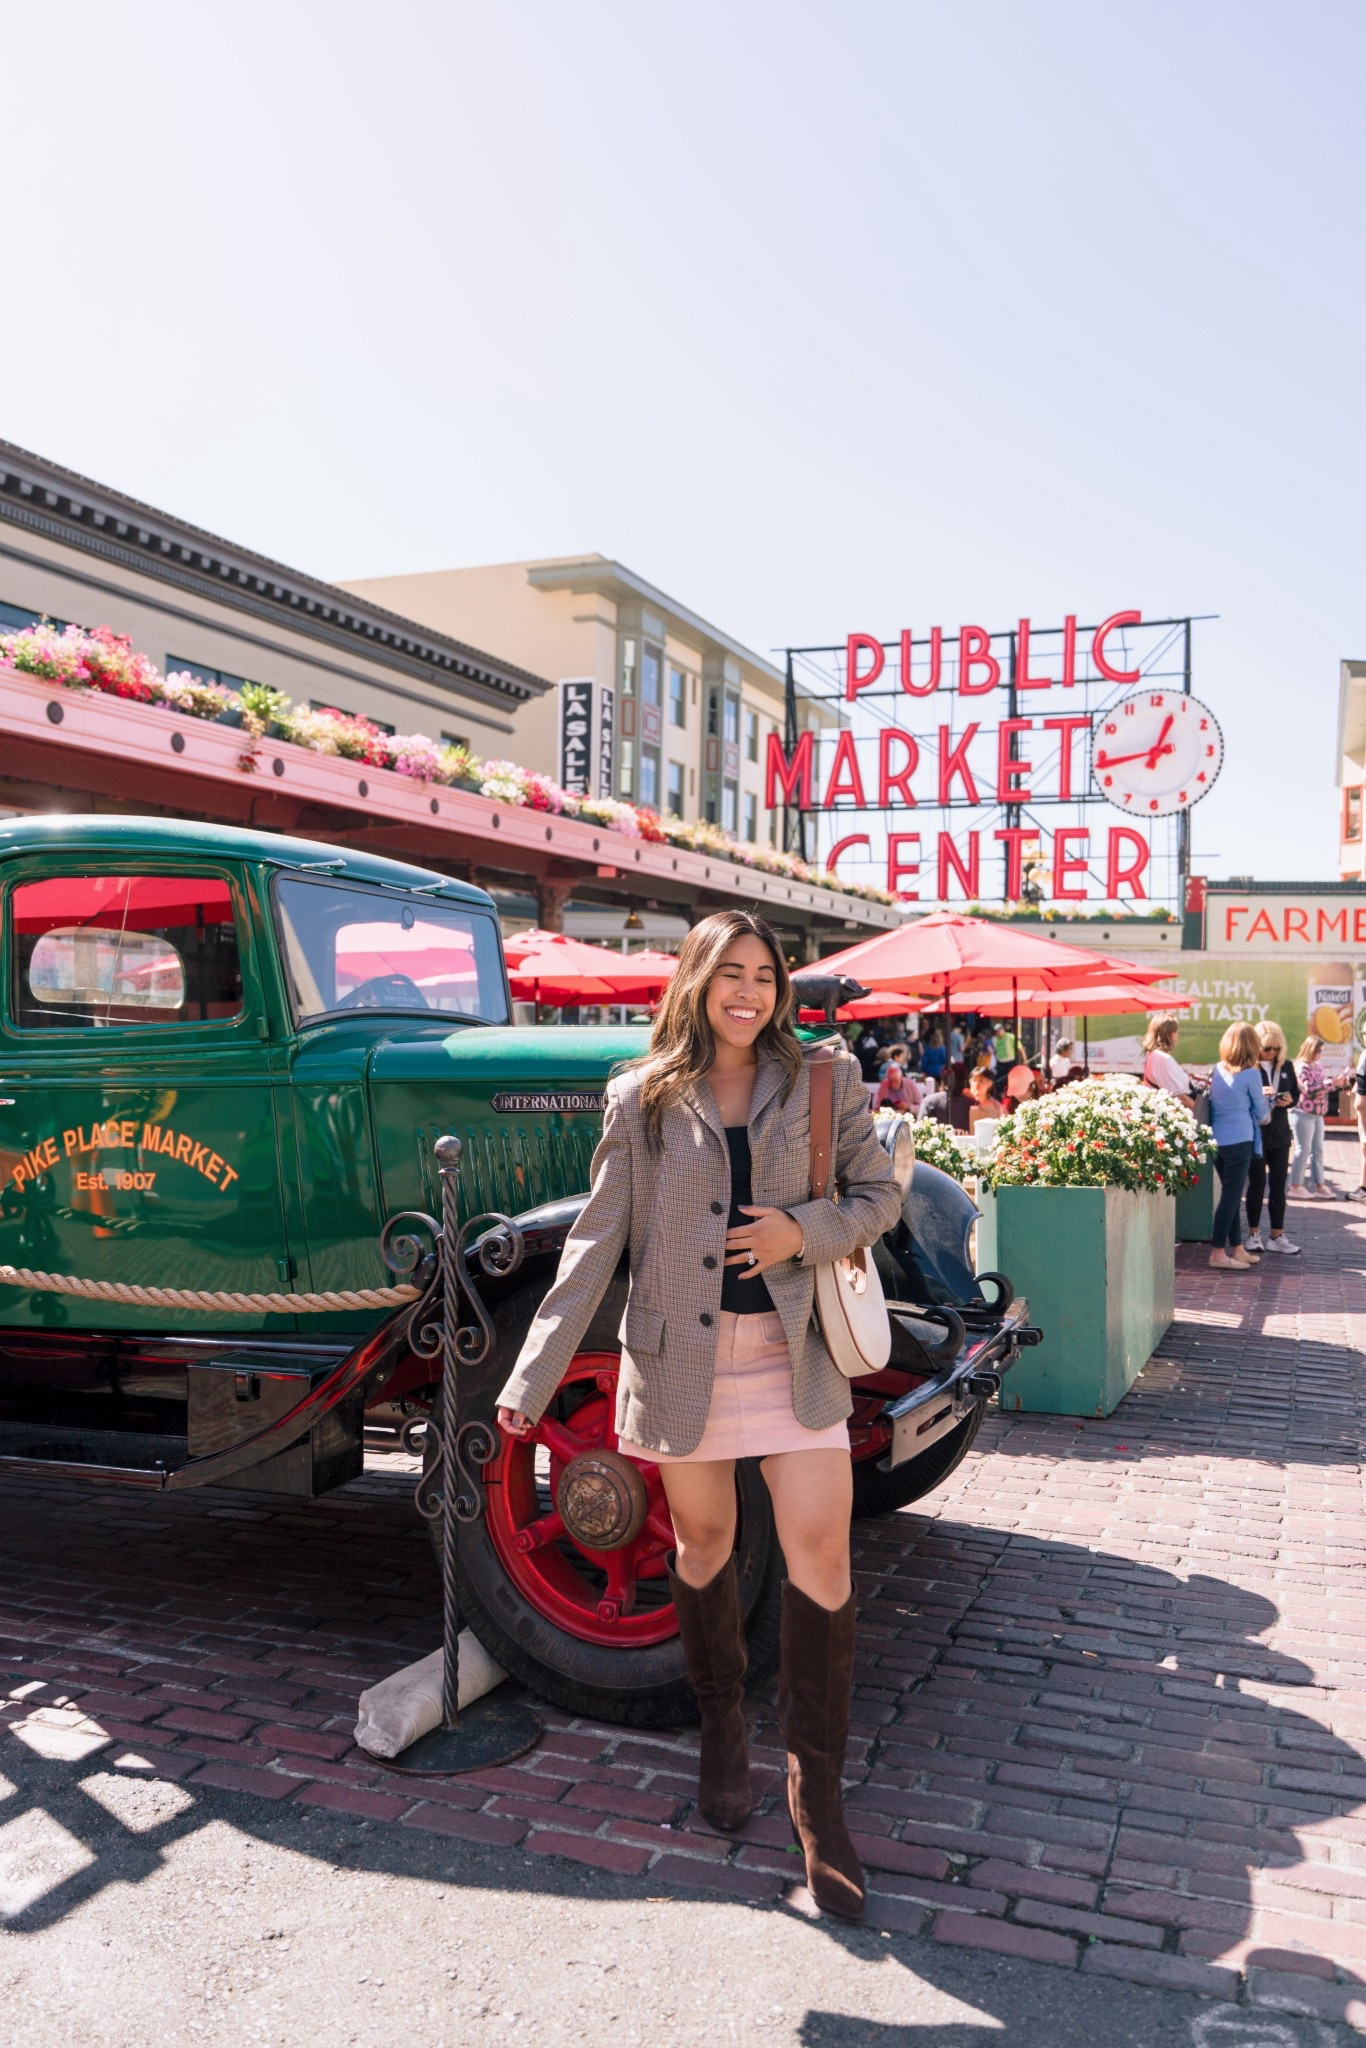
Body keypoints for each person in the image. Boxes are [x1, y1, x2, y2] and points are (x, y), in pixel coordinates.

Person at [494, 909, 900, 1923]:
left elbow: (876, 1193)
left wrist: (796, 1230)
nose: (749, 991)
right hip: (679, 1364)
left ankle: (819, 1800)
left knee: (823, 1558)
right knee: (706, 1541)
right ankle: (723, 1727)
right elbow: (594, 1241)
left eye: (765, 974)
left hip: (793, 1359)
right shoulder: (640, 1097)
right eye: (730, 972)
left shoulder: (823, 1078)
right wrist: (530, 1379)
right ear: (695, 981)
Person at [1208, 1021, 1270, 1272]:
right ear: (1252, 1046)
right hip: (1240, 1140)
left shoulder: (1217, 1070)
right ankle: (1217, 1252)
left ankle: (1238, 1248)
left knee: (1230, 1195)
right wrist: (1268, 1100)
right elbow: (1262, 1115)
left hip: (1217, 1141)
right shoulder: (1252, 1074)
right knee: (1231, 1197)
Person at [1244, 1022, 1299, 1255]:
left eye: (1276, 1048)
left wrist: (1289, 1101)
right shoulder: (1249, 1068)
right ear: (1257, 1046)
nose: (1271, 1053)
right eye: (1267, 1048)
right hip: (1257, 1133)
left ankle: (1277, 1235)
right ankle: (1253, 1234)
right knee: (1256, 1184)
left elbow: (1296, 1092)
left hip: (1280, 1133)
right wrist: (1260, 1094)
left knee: (1278, 1186)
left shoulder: (1286, 1065)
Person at [1289, 1035, 1332, 1200]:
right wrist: (1331, 1083)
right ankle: (1295, 1185)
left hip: (1316, 1113)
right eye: (1318, 1051)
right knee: (1303, 1150)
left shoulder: (1316, 1066)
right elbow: (1309, 1089)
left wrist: (1335, 1081)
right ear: (1310, 1050)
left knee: (1317, 1150)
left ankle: (1319, 1184)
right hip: (1302, 1113)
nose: (1320, 1054)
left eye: (1322, 1051)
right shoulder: (1301, 1067)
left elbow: (1322, 1082)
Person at [1142, 1017, 1194, 1108]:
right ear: (1170, 1034)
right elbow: (1181, 1098)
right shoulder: (1162, 1059)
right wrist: (1201, 1113)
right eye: (1176, 1032)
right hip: (1173, 1112)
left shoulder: (1152, 1055)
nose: (1177, 1035)